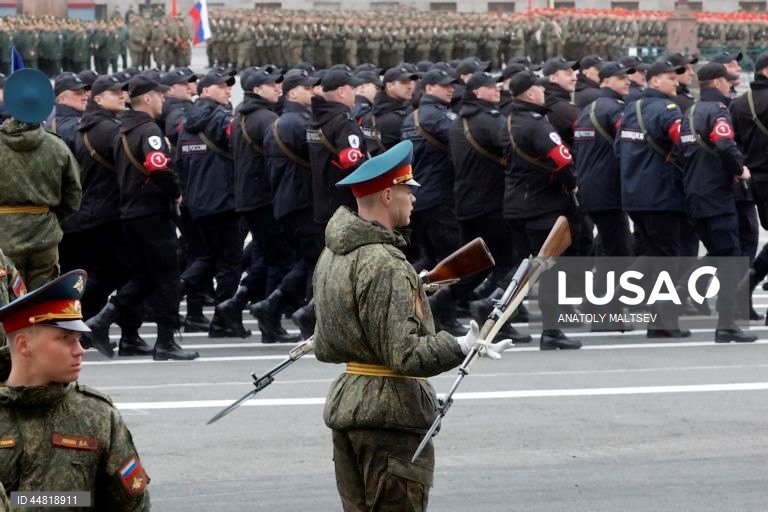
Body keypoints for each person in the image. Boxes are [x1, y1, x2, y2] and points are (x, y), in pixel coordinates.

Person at [313, 140, 512, 512]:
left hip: (350, 404)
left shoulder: (334, 252)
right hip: (388, 415)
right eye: (408, 190)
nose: (414, 199)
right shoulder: (386, 264)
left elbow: (332, 336)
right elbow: (405, 354)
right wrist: (461, 345)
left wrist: (416, 287)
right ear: (388, 195)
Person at [0, 270, 151, 510]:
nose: (79, 350)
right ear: (24, 344)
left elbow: (133, 505)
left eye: (79, 339)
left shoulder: (97, 416)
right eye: (65, 338)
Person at [86, 75, 198, 361]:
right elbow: (156, 165)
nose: (163, 100)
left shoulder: (124, 129)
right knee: (168, 277)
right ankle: (166, 342)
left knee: (146, 277)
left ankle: (102, 320)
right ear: (148, 98)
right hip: (151, 213)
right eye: (159, 95)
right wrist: (175, 192)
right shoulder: (148, 130)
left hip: (131, 214)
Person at [503, 71, 582, 350]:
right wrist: (572, 187)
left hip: (515, 203)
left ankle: (494, 304)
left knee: (526, 266)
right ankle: (551, 331)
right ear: (529, 93)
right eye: (539, 86)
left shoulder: (509, 119)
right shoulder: (537, 124)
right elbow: (563, 160)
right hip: (542, 205)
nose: (543, 90)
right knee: (550, 267)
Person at [679, 62, 756, 344]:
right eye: (727, 80)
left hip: (694, 194)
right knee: (731, 259)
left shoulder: (690, 112)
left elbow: (679, 152)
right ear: (716, 83)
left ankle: (682, 289)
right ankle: (726, 324)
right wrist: (739, 170)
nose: (730, 84)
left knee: (716, 254)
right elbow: (724, 144)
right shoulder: (718, 111)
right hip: (716, 195)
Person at [616, 60, 688, 338]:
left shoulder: (630, 110)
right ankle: (662, 322)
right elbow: (683, 147)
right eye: (671, 78)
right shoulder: (669, 111)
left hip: (634, 194)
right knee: (667, 258)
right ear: (655, 81)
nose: (677, 83)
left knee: (650, 254)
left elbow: (617, 149)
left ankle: (616, 296)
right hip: (663, 194)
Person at [0, 69, 82, 291]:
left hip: (3, 237)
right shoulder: (57, 147)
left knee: (7, 303)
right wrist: (49, 216)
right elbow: (73, 196)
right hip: (44, 237)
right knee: (41, 305)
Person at [573, 61, 635, 257]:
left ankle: (601, 287)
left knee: (608, 246)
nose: (627, 82)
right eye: (621, 78)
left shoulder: (588, 110)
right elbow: (626, 147)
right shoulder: (616, 110)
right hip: (609, 191)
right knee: (620, 251)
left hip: (590, 188)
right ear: (606, 81)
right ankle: (607, 288)